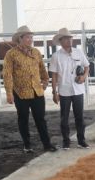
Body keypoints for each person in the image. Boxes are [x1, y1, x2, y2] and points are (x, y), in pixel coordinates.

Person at [4, 25, 56, 154]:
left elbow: (42, 69)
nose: (30, 39)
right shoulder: (11, 54)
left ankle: (47, 144)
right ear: (20, 38)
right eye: (28, 37)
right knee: (23, 119)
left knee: (41, 119)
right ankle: (27, 145)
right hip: (20, 93)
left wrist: (45, 82)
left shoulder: (36, 52)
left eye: (31, 37)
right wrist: (9, 92)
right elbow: (7, 74)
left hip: (37, 91)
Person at [49, 28, 90, 149]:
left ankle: (81, 140)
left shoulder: (79, 52)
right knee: (64, 118)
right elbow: (54, 75)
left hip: (78, 89)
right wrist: (54, 92)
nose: (69, 40)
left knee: (80, 117)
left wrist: (84, 77)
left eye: (70, 38)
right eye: (66, 38)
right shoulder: (56, 56)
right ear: (61, 41)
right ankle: (66, 141)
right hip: (64, 90)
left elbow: (87, 66)